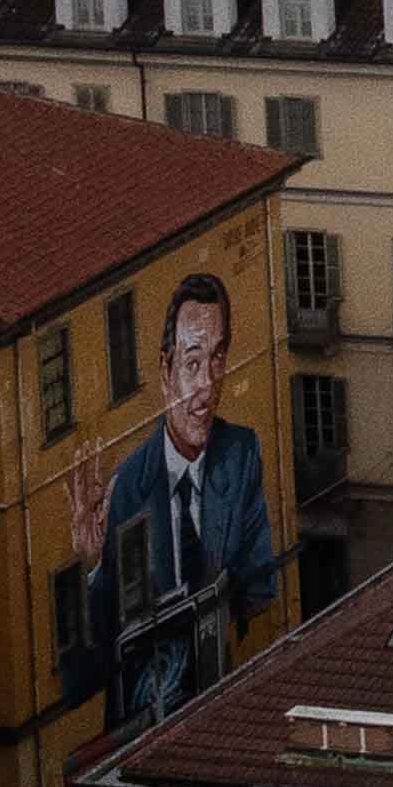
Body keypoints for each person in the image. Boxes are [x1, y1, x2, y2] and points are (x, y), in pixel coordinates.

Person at [95, 270, 282, 735]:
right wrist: (94, 562)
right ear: (166, 369)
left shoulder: (239, 455)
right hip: (150, 721)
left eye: (218, 358)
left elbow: (260, 590)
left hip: (227, 704)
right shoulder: (130, 487)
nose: (208, 384)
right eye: (192, 362)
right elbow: (111, 636)